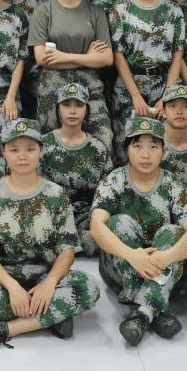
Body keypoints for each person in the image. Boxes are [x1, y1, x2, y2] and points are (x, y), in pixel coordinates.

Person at [0, 118, 100, 346]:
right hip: (4, 279)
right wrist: (13, 287)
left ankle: (7, 328)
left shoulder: (56, 194)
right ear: (3, 152)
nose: (22, 156)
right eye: (14, 150)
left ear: (41, 151)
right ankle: (52, 316)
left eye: (30, 149)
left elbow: (67, 250)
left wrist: (50, 283)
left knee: (88, 287)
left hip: (45, 275)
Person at [90, 117, 187, 345]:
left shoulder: (173, 185)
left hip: (162, 269)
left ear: (163, 150)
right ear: (127, 149)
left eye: (153, 147)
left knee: (174, 232)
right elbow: (96, 226)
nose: (145, 154)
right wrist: (134, 256)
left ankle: (144, 312)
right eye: (138, 146)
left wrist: (163, 258)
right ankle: (153, 306)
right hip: (120, 272)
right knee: (119, 222)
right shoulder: (114, 181)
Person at [31, 0, 115, 149]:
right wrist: (88, 57)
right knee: (49, 144)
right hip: (52, 85)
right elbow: (42, 58)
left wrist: (62, 56)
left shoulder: (95, 12)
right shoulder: (44, 11)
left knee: (102, 140)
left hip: (89, 85)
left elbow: (106, 58)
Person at [110, 0, 186, 151]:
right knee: (127, 148)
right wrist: (135, 96)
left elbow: (178, 54)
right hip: (130, 86)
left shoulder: (173, 11)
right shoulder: (120, 9)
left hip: (165, 85)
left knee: (164, 149)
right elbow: (118, 54)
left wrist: (167, 97)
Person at [40, 82, 112, 256]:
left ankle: (69, 246)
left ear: (86, 110)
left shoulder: (98, 148)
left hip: (87, 220)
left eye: (79, 105)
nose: (72, 111)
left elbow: (107, 193)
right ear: (58, 109)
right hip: (52, 217)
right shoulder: (43, 145)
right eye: (66, 105)